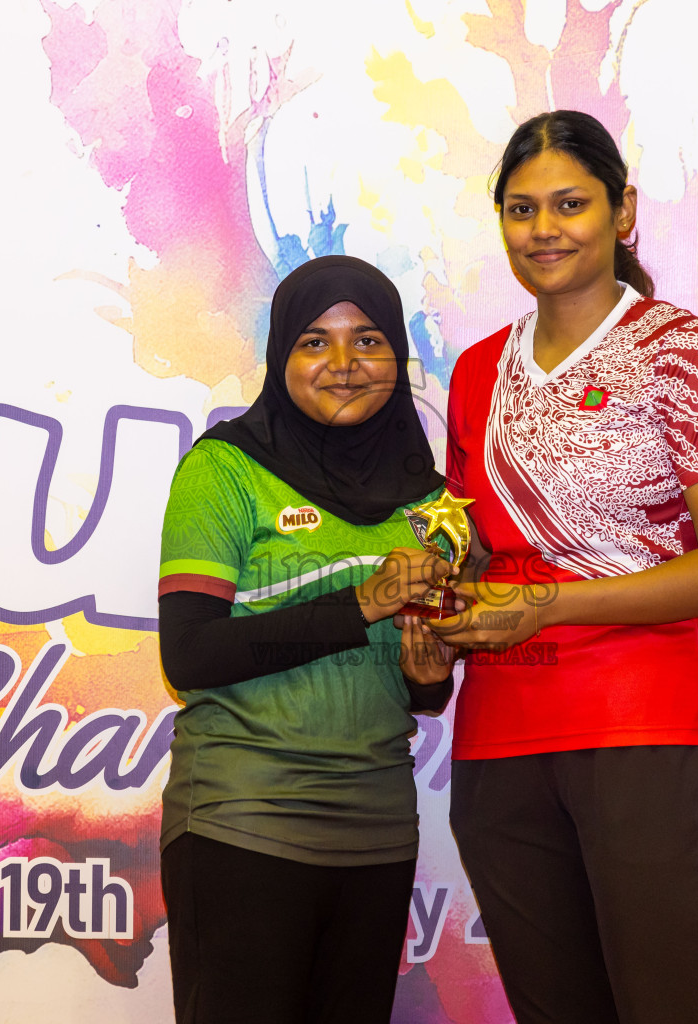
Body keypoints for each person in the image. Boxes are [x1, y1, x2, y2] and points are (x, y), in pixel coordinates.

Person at [431, 110, 698, 1024]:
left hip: (640, 731)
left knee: (666, 1005)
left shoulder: (681, 353)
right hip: (499, 744)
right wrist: (431, 614)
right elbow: (468, 552)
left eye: (570, 204)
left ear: (623, 210)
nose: (544, 229)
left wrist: (547, 605)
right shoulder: (473, 375)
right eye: (521, 209)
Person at [155, 254, 456, 1024]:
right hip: (243, 822)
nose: (345, 365)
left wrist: (429, 676)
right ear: (281, 354)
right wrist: (360, 601)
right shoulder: (225, 470)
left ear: (398, 357)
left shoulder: (429, 499)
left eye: (369, 342)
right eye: (315, 343)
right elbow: (189, 656)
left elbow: (417, 682)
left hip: (378, 831)